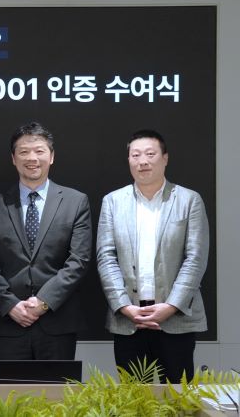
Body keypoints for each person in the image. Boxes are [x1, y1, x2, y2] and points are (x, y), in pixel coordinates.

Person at [97, 129, 209, 383]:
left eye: (150, 154)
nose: (143, 161)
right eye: (135, 155)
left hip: (175, 320)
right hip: (129, 321)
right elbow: (106, 257)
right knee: (134, 399)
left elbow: (195, 259)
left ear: (165, 158)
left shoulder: (189, 200)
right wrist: (124, 306)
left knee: (177, 397)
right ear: (128, 160)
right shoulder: (113, 201)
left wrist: (170, 306)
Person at [0, 122, 92, 364]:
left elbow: (78, 260)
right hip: (9, 323)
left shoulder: (76, 201)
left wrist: (44, 302)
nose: (32, 158)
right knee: (11, 390)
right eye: (24, 151)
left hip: (58, 322)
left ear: (52, 156)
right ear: (13, 158)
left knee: (57, 389)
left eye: (39, 151)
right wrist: (10, 305)